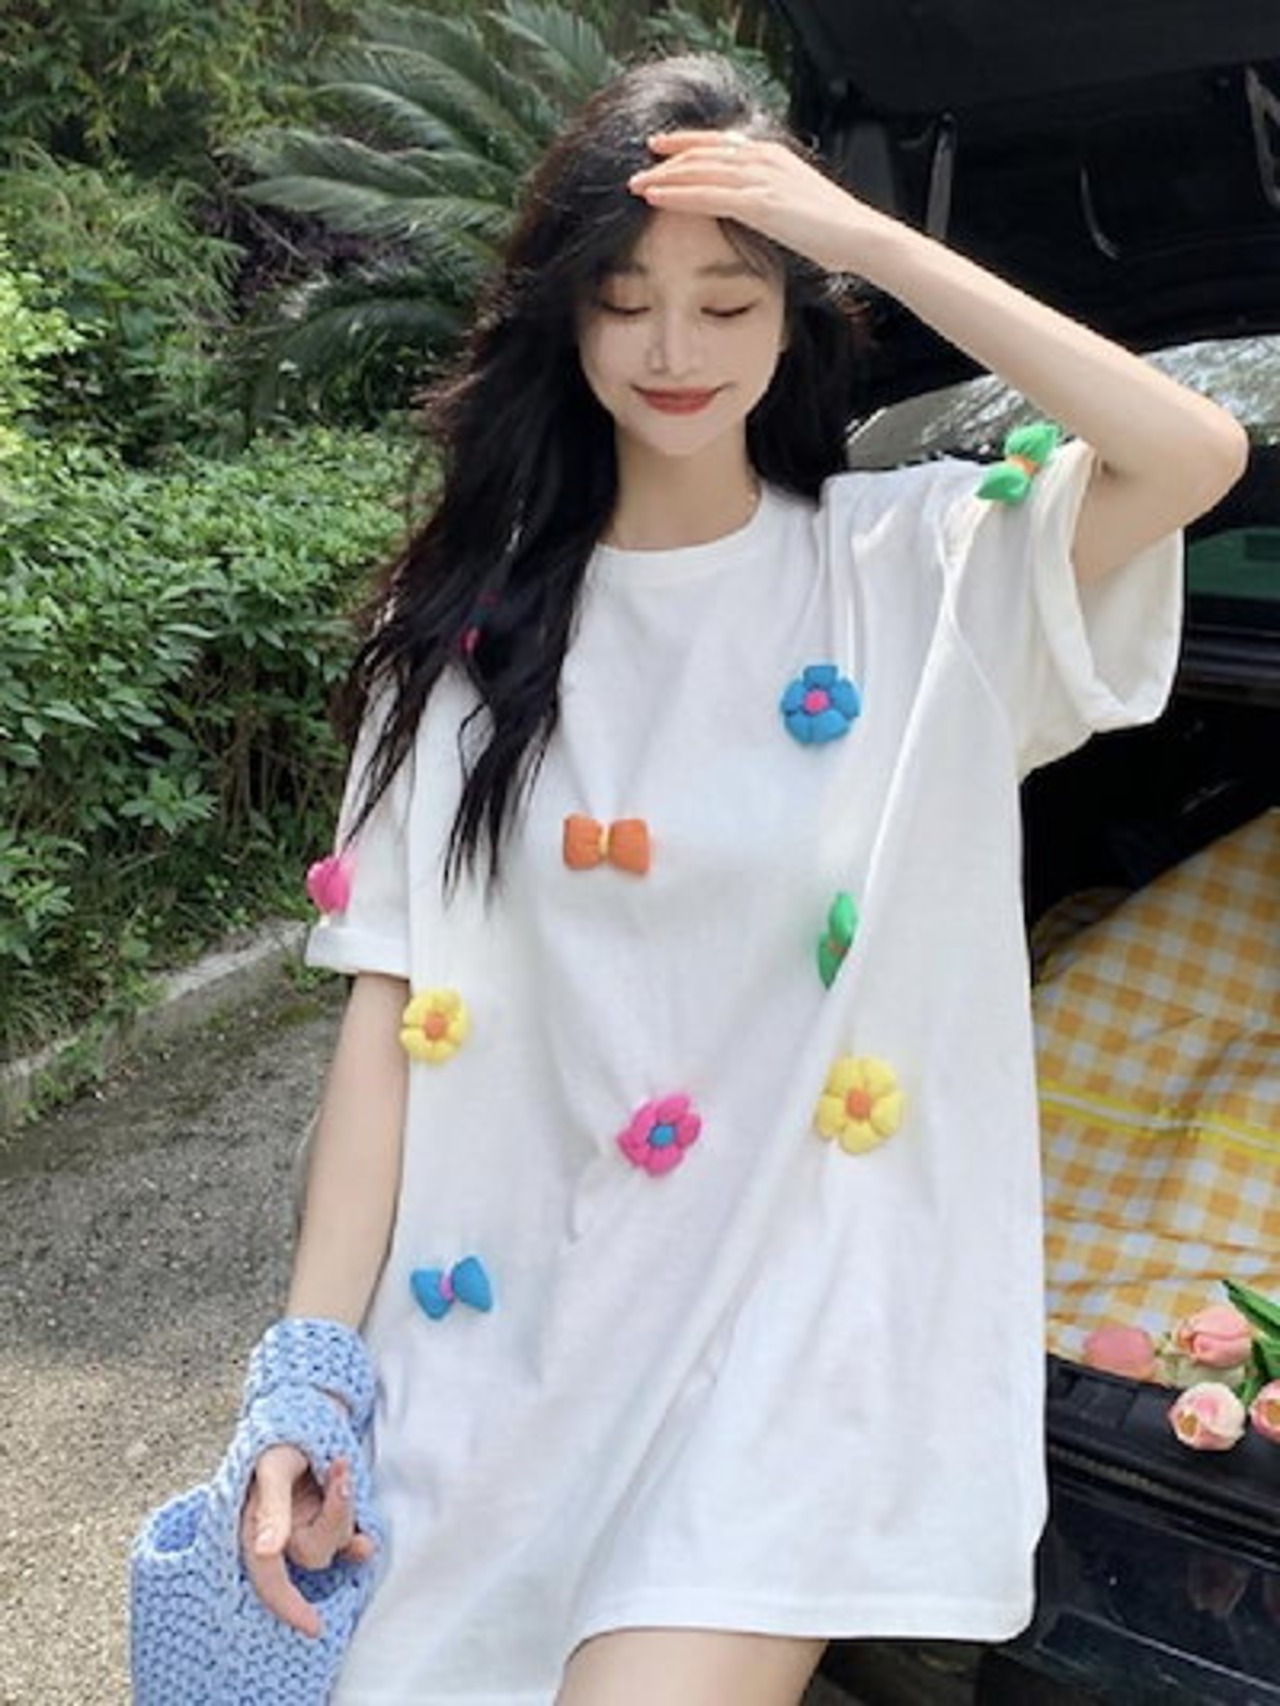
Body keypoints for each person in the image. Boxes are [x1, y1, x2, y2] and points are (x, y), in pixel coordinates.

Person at [133, 50, 1247, 1706]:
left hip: (788, 1367)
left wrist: (865, 235)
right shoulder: (463, 641)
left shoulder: (912, 566)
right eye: (626, 301)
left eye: (728, 302)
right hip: (502, 1349)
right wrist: (302, 1379)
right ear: (565, 318)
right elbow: (384, 1028)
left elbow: (1191, 455)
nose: (673, 351)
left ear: (796, 316)